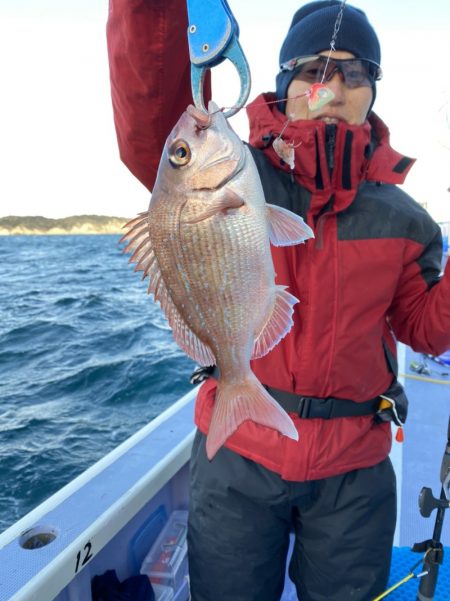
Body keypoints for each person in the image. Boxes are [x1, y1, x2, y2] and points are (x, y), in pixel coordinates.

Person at [107, 1, 450, 599]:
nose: (335, 85)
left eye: (356, 72)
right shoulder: (243, 173)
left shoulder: (407, 219)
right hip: (239, 454)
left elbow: (425, 330)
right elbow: (157, 119)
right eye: (316, 68)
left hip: (355, 469)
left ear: (372, 93)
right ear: (285, 82)